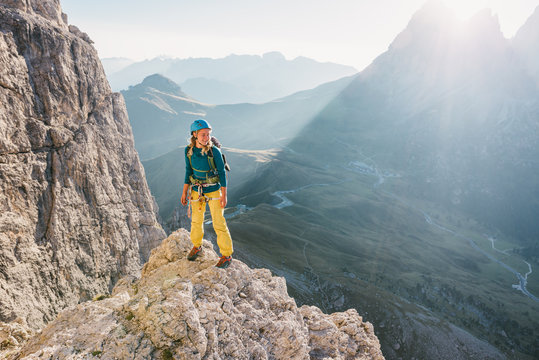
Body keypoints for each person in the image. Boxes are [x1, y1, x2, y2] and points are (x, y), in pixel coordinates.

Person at [180, 119, 233, 268]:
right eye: (203, 134)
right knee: (196, 221)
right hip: (197, 190)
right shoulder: (188, 151)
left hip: (214, 190)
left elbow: (222, 174)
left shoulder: (214, 151)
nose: (206, 138)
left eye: (208, 134)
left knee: (218, 222)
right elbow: (188, 171)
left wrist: (224, 195)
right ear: (195, 135)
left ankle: (226, 255)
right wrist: (184, 192)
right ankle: (197, 246)